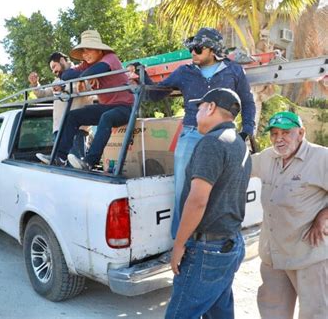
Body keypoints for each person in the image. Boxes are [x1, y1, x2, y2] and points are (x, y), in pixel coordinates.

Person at [133, 27, 256, 239]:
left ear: (212, 50)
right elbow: (155, 95)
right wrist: (142, 78)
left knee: (223, 187)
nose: (193, 53)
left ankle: (216, 238)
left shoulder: (234, 71)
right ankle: (180, 242)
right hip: (191, 134)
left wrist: (246, 131)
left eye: (198, 49)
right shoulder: (184, 72)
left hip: (223, 137)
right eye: (192, 48)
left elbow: (247, 102)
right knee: (183, 188)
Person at [166, 88, 250, 319]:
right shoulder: (239, 143)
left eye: (200, 107)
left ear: (211, 107)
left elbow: (197, 200)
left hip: (207, 250)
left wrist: (179, 244)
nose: (197, 113)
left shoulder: (212, 143)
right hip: (229, 244)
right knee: (219, 312)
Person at [251, 111, 327, 319]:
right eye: (274, 134)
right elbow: (239, 168)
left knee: (315, 313)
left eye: (286, 132)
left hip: (308, 254)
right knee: (272, 311)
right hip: (273, 254)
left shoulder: (322, 158)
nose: (279, 139)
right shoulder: (267, 157)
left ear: (301, 133)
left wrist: (323, 216)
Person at [37, 29, 134, 170]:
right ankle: (59, 157)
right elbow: (66, 75)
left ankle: (89, 161)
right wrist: (86, 76)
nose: (85, 54)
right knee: (73, 116)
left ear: (99, 50)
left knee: (107, 118)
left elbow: (97, 69)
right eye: (83, 51)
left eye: (88, 50)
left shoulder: (110, 57)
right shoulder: (87, 64)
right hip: (107, 107)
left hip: (125, 108)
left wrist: (86, 76)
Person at [28, 52, 94, 159]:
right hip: (59, 129)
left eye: (54, 66)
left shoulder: (80, 72)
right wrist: (35, 84)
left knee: (75, 165)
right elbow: (43, 94)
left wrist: (63, 89)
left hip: (77, 129)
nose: (54, 71)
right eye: (52, 69)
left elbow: (85, 87)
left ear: (62, 60)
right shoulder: (57, 80)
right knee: (60, 166)